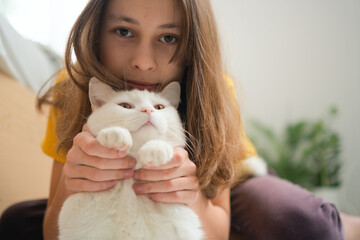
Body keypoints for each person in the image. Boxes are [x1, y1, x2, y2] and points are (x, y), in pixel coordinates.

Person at [0, 0, 355, 239]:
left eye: (168, 38)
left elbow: (217, 226)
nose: (143, 61)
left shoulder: (214, 90)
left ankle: (350, 225)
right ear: (95, 32)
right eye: (124, 32)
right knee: (16, 223)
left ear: (193, 46)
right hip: (122, 199)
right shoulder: (74, 88)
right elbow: (53, 231)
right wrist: (74, 180)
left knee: (305, 224)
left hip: (230, 182)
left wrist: (191, 198)